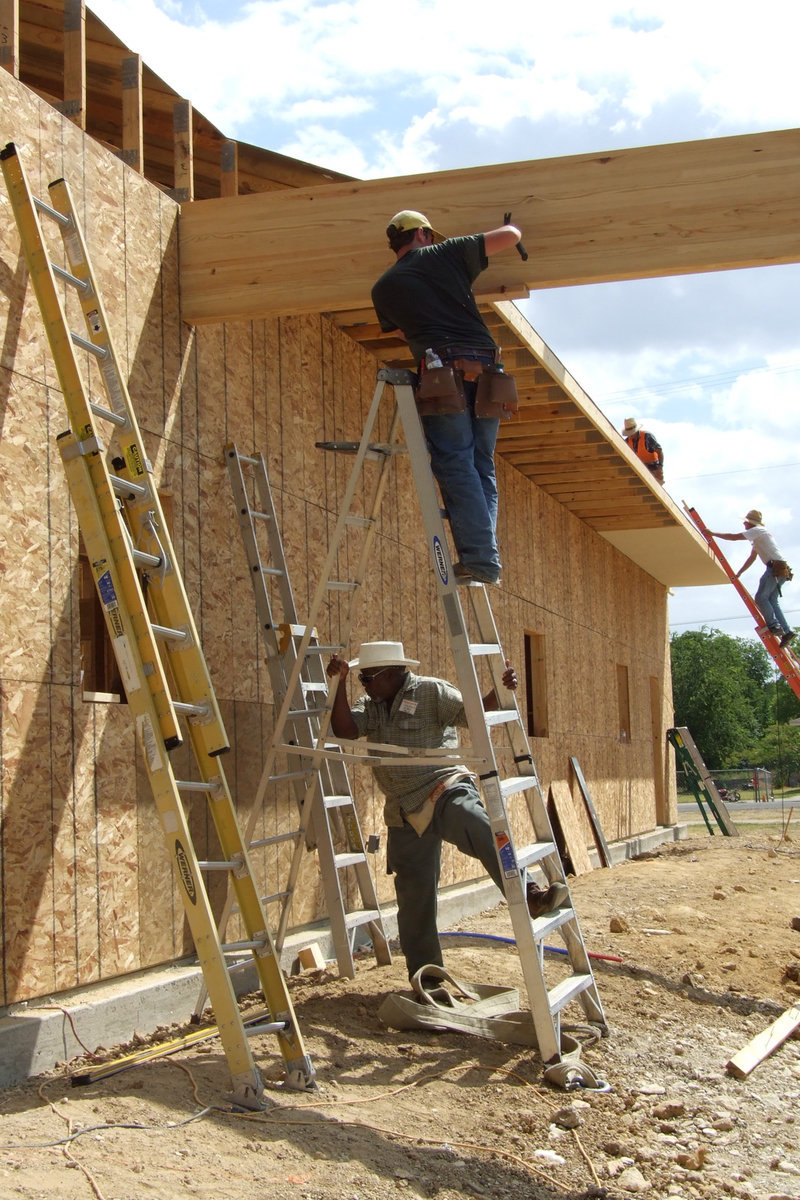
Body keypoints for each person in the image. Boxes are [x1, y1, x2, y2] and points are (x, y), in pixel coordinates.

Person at [325, 640, 568, 981]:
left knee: (478, 824)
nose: (364, 686)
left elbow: (476, 712)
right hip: (404, 809)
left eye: (369, 678)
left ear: (394, 673)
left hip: (443, 787)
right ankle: (427, 978)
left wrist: (500, 689)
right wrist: (338, 686)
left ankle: (528, 894)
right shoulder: (374, 704)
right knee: (415, 898)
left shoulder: (432, 692)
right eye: (361, 680)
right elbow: (346, 729)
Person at [371, 210, 523, 586]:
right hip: (488, 372)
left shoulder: (383, 288)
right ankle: (483, 557)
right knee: (479, 463)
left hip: (442, 376)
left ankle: (483, 560)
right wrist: (508, 224)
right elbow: (509, 235)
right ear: (422, 233)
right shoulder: (446, 253)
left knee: (457, 463)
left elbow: (406, 327)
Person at [707, 509, 795, 648]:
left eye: (746, 522)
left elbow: (734, 537)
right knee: (772, 599)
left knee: (761, 598)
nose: (744, 524)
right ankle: (787, 631)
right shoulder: (759, 536)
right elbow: (752, 558)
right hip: (782, 568)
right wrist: (740, 572)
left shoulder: (758, 531)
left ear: (751, 524)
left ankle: (775, 626)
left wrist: (713, 533)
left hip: (775, 568)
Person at [621, 417, 664, 483]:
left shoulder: (647, 437)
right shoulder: (627, 442)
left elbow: (660, 452)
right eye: (629, 433)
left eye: (632, 433)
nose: (630, 435)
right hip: (639, 471)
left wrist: (660, 467)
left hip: (653, 469)